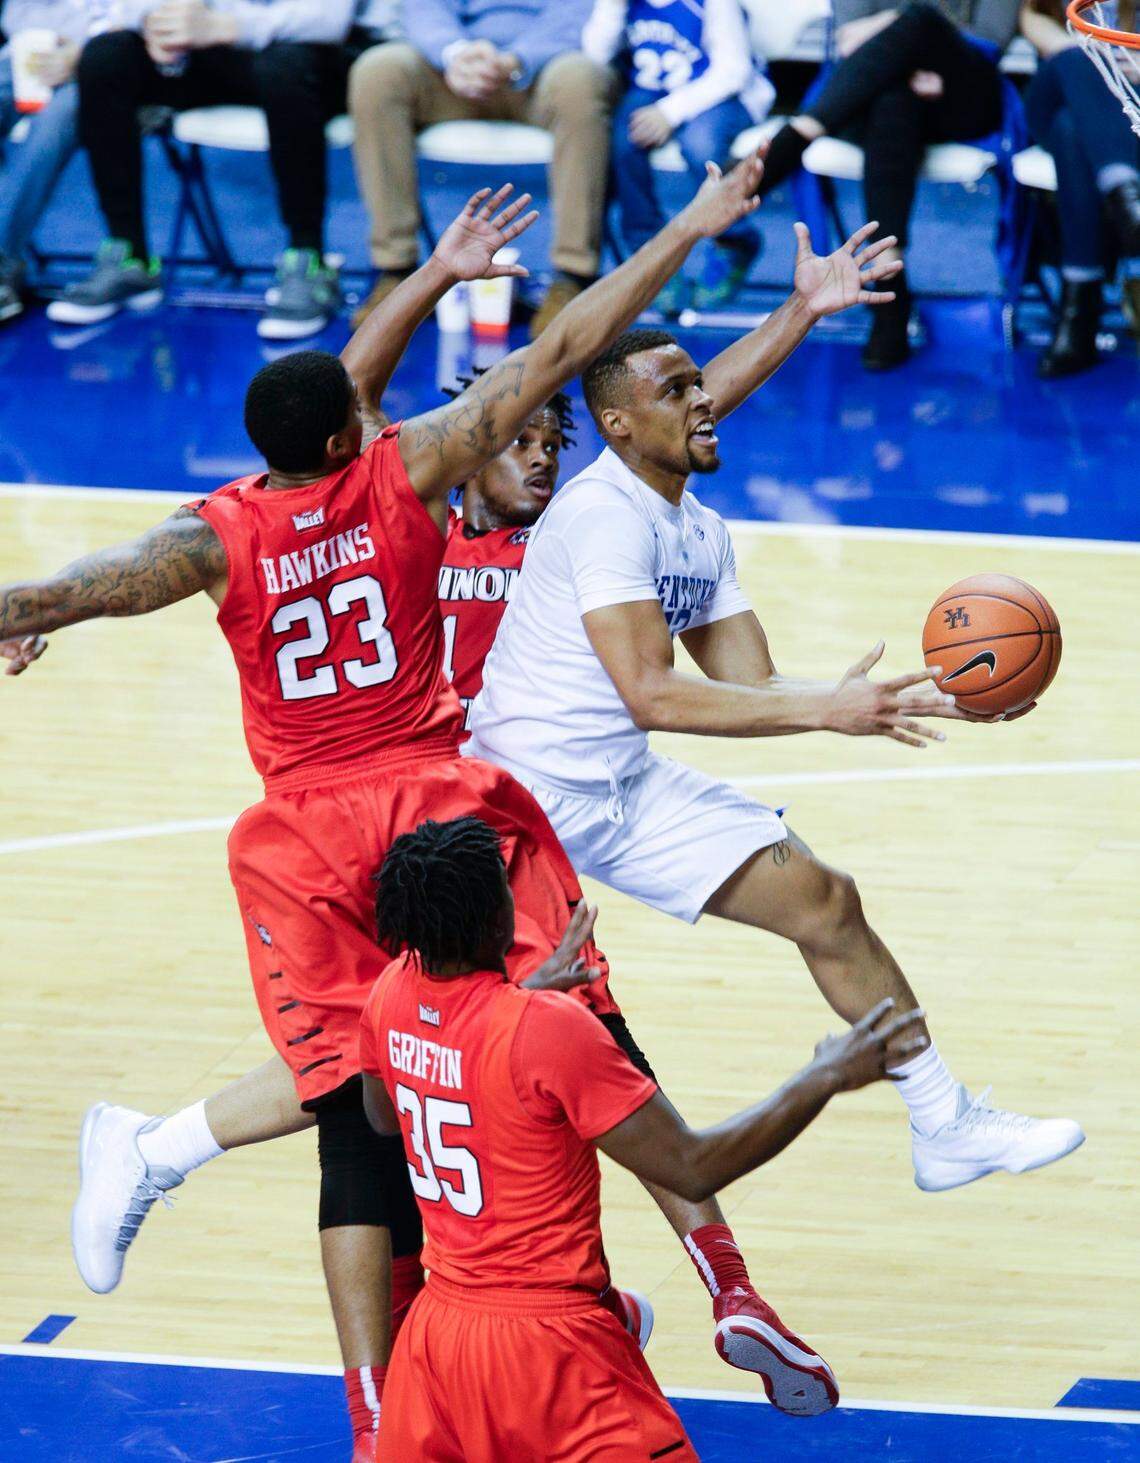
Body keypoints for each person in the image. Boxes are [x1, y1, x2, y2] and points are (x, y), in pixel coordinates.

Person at [1, 158, 788, 1459]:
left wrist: (47, 619)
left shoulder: (213, 535)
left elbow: (61, 587)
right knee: (552, 1021)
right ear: (344, 435)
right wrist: (691, 227)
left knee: (379, 1080)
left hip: (307, 830)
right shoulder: (404, 474)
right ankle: (572, 1298)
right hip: (437, 799)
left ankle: (453, 1352)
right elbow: (569, 346)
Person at [465, 255, 1086, 1202]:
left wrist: (912, 699)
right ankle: (183, 1142)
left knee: (826, 901)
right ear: (619, 425)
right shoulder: (599, 519)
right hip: (516, 804)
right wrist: (827, 709)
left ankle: (941, 1119)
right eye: (677, 391)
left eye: (701, 383)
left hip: (618, 788)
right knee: (457, 1039)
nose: (703, 400)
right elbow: (654, 696)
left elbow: (750, 684)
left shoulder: (697, 531)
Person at [362, 815, 927, 1459]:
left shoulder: (390, 996)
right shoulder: (549, 1030)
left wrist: (510, 1006)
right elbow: (691, 1167)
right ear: (497, 914)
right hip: (549, 1350)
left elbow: (383, 1117)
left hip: (438, 1344)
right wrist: (822, 1078)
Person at [43, 0, 375, 340]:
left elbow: (328, 20)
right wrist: (157, 22)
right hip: (207, 56)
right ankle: (130, 256)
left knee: (286, 63)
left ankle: (308, 261)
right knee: (106, 56)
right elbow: (120, 9)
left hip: (307, 58)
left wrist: (225, 25)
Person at [752, 0, 1021, 370]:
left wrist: (910, 31)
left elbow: (992, 40)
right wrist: (905, 47)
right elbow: (847, 41)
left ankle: (795, 138)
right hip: (879, 91)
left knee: (922, 19)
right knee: (894, 102)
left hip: (961, 93)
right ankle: (891, 291)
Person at [348, 0, 614, 338]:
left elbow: (582, 12)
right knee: (377, 71)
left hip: (545, 69)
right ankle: (395, 270)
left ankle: (573, 278)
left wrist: (516, 59)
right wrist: (455, 54)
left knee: (582, 80)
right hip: (455, 70)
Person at [583, 0, 774, 315]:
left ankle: (735, 238)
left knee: (700, 145)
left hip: (723, 93)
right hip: (655, 89)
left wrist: (669, 112)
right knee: (622, 140)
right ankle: (649, 250)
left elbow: (733, 72)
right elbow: (595, 56)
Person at [438, 375, 571, 725]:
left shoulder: (558, 544)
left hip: (515, 763)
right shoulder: (425, 534)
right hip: (421, 757)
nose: (542, 459)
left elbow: (657, 438)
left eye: (551, 446)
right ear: (472, 455)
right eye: (521, 442)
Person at [1021, 0, 1140, 375]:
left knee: (1070, 129)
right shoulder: (1038, 8)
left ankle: (1078, 313)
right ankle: (1129, 202)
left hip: (1126, 114)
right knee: (1076, 56)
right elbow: (1048, 38)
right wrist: (1100, 60)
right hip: (1059, 86)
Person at [0, 0, 93, 323]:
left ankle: (2, 261)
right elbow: (18, 13)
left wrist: (80, 50)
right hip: (32, 51)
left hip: (107, 63)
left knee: (56, 118)